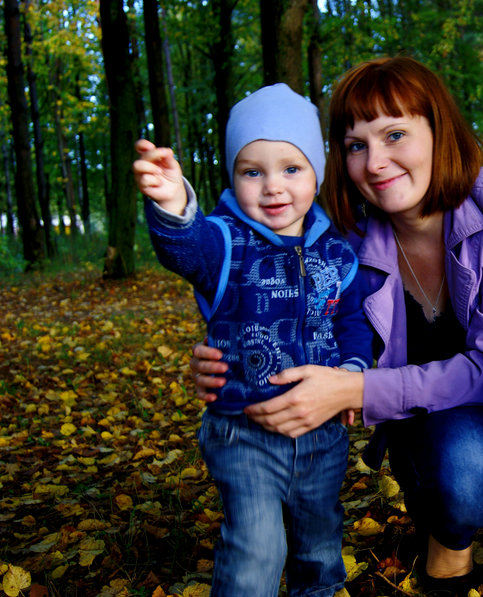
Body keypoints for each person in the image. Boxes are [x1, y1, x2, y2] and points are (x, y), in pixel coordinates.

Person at [191, 57, 483, 596]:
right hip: (456, 438)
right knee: (465, 470)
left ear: (438, 131)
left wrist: (359, 389)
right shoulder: (341, 247)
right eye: (356, 145)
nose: (376, 162)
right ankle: (451, 532)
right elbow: (275, 311)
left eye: (395, 134)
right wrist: (230, 356)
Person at [133, 83, 373, 597]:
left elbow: (351, 321)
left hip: (322, 435)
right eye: (252, 171)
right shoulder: (225, 242)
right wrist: (172, 203)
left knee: (319, 545)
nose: (273, 187)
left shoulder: (337, 251)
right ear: (233, 176)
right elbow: (186, 249)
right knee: (257, 548)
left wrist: (353, 372)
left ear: (317, 173)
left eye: (292, 168)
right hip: (244, 432)